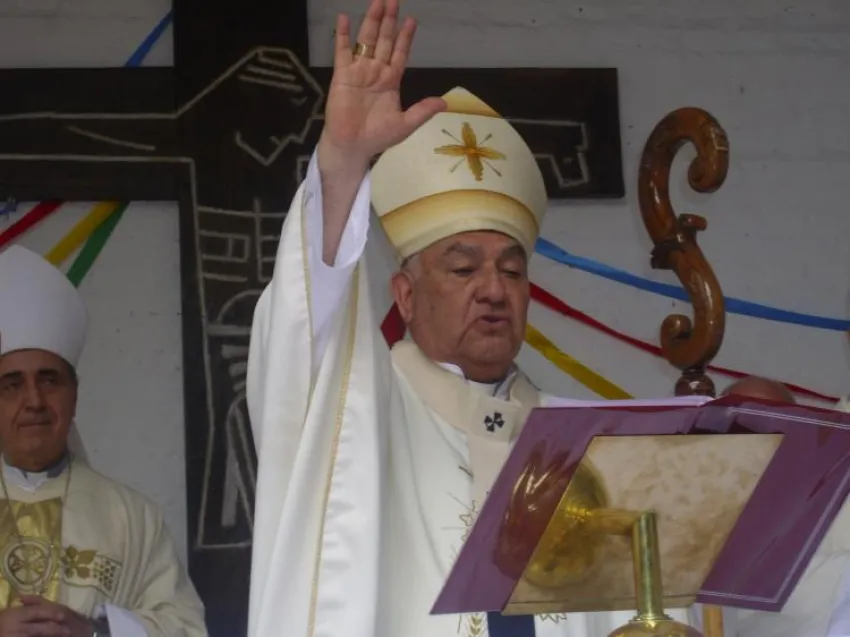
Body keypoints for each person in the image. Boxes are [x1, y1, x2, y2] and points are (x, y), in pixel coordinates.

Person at [245, 1, 850, 635]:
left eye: (511, 270)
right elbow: (300, 330)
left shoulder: (588, 446)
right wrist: (342, 162)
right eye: (462, 268)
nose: (493, 289)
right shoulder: (360, 410)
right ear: (404, 295)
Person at [0, 245, 208, 637]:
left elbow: (187, 628)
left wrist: (98, 631)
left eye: (49, 380)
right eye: (12, 385)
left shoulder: (132, 518)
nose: (34, 401)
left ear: (74, 394)